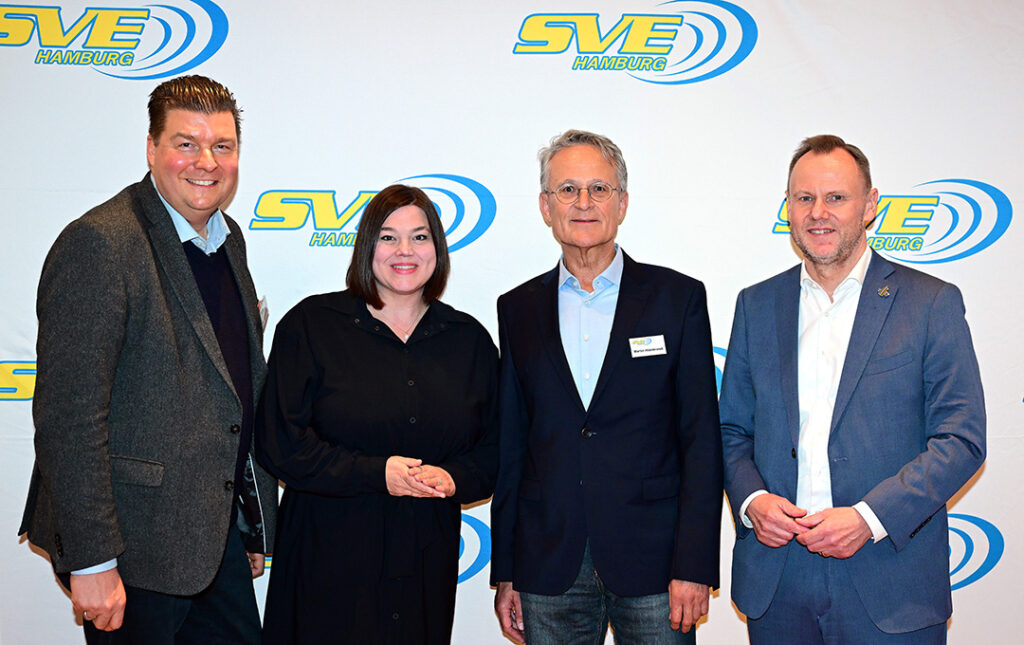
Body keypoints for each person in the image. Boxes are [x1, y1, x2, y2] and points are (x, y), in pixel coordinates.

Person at [19, 75, 278, 644]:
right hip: (131, 553)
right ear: (151, 148)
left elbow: (233, 388)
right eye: (186, 143)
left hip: (213, 542)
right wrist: (92, 560)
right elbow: (68, 418)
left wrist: (249, 519)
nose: (206, 162)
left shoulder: (227, 238)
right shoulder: (101, 243)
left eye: (222, 146)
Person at [719, 134, 986, 644]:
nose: (818, 213)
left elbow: (961, 439)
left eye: (836, 197)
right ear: (788, 207)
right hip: (778, 579)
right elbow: (731, 429)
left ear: (870, 205)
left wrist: (870, 517)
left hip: (890, 576)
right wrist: (752, 500)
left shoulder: (930, 303)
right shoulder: (756, 305)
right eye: (804, 198)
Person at [490, 129, 723, 644]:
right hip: (548, 565)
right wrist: (506, 570)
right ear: (545, 206)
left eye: (599, 188)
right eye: (567, 190)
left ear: (622, 203)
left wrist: (694, 564)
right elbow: (512, 446)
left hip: (657, 564)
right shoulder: (517, 309)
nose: (584, 202)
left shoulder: (677, 298)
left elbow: (701, 440)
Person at [255, 184, 499, 644]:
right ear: (367, 246)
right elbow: (279, 442)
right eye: (388, 237)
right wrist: (375, 473)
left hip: (424, 566)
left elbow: (495, 450)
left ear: (437, 248)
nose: (405, 250)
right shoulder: (312, 325)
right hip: (326, 564)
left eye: (419, 237)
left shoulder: (469, 341)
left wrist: (455, 478)